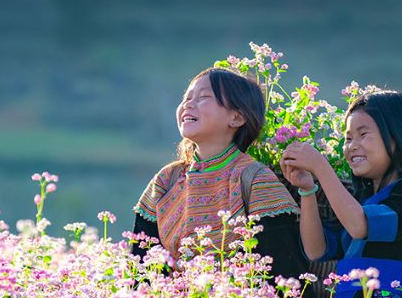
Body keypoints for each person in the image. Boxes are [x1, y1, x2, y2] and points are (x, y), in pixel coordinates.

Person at [280, 91, 402, 298]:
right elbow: (316, 250)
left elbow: (360, 226)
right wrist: (308, 190)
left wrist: (321, 167)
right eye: (348, 138)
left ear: (398, 137)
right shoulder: (364, 202)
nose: (352, 146)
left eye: (363, 135)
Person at [131, 67, 307, 282]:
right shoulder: (166, 180)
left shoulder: (257, 180)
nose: (188, 104)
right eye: (186, 98)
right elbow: (141, 270)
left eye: (204, 97)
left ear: (237, 117)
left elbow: (282, 272)